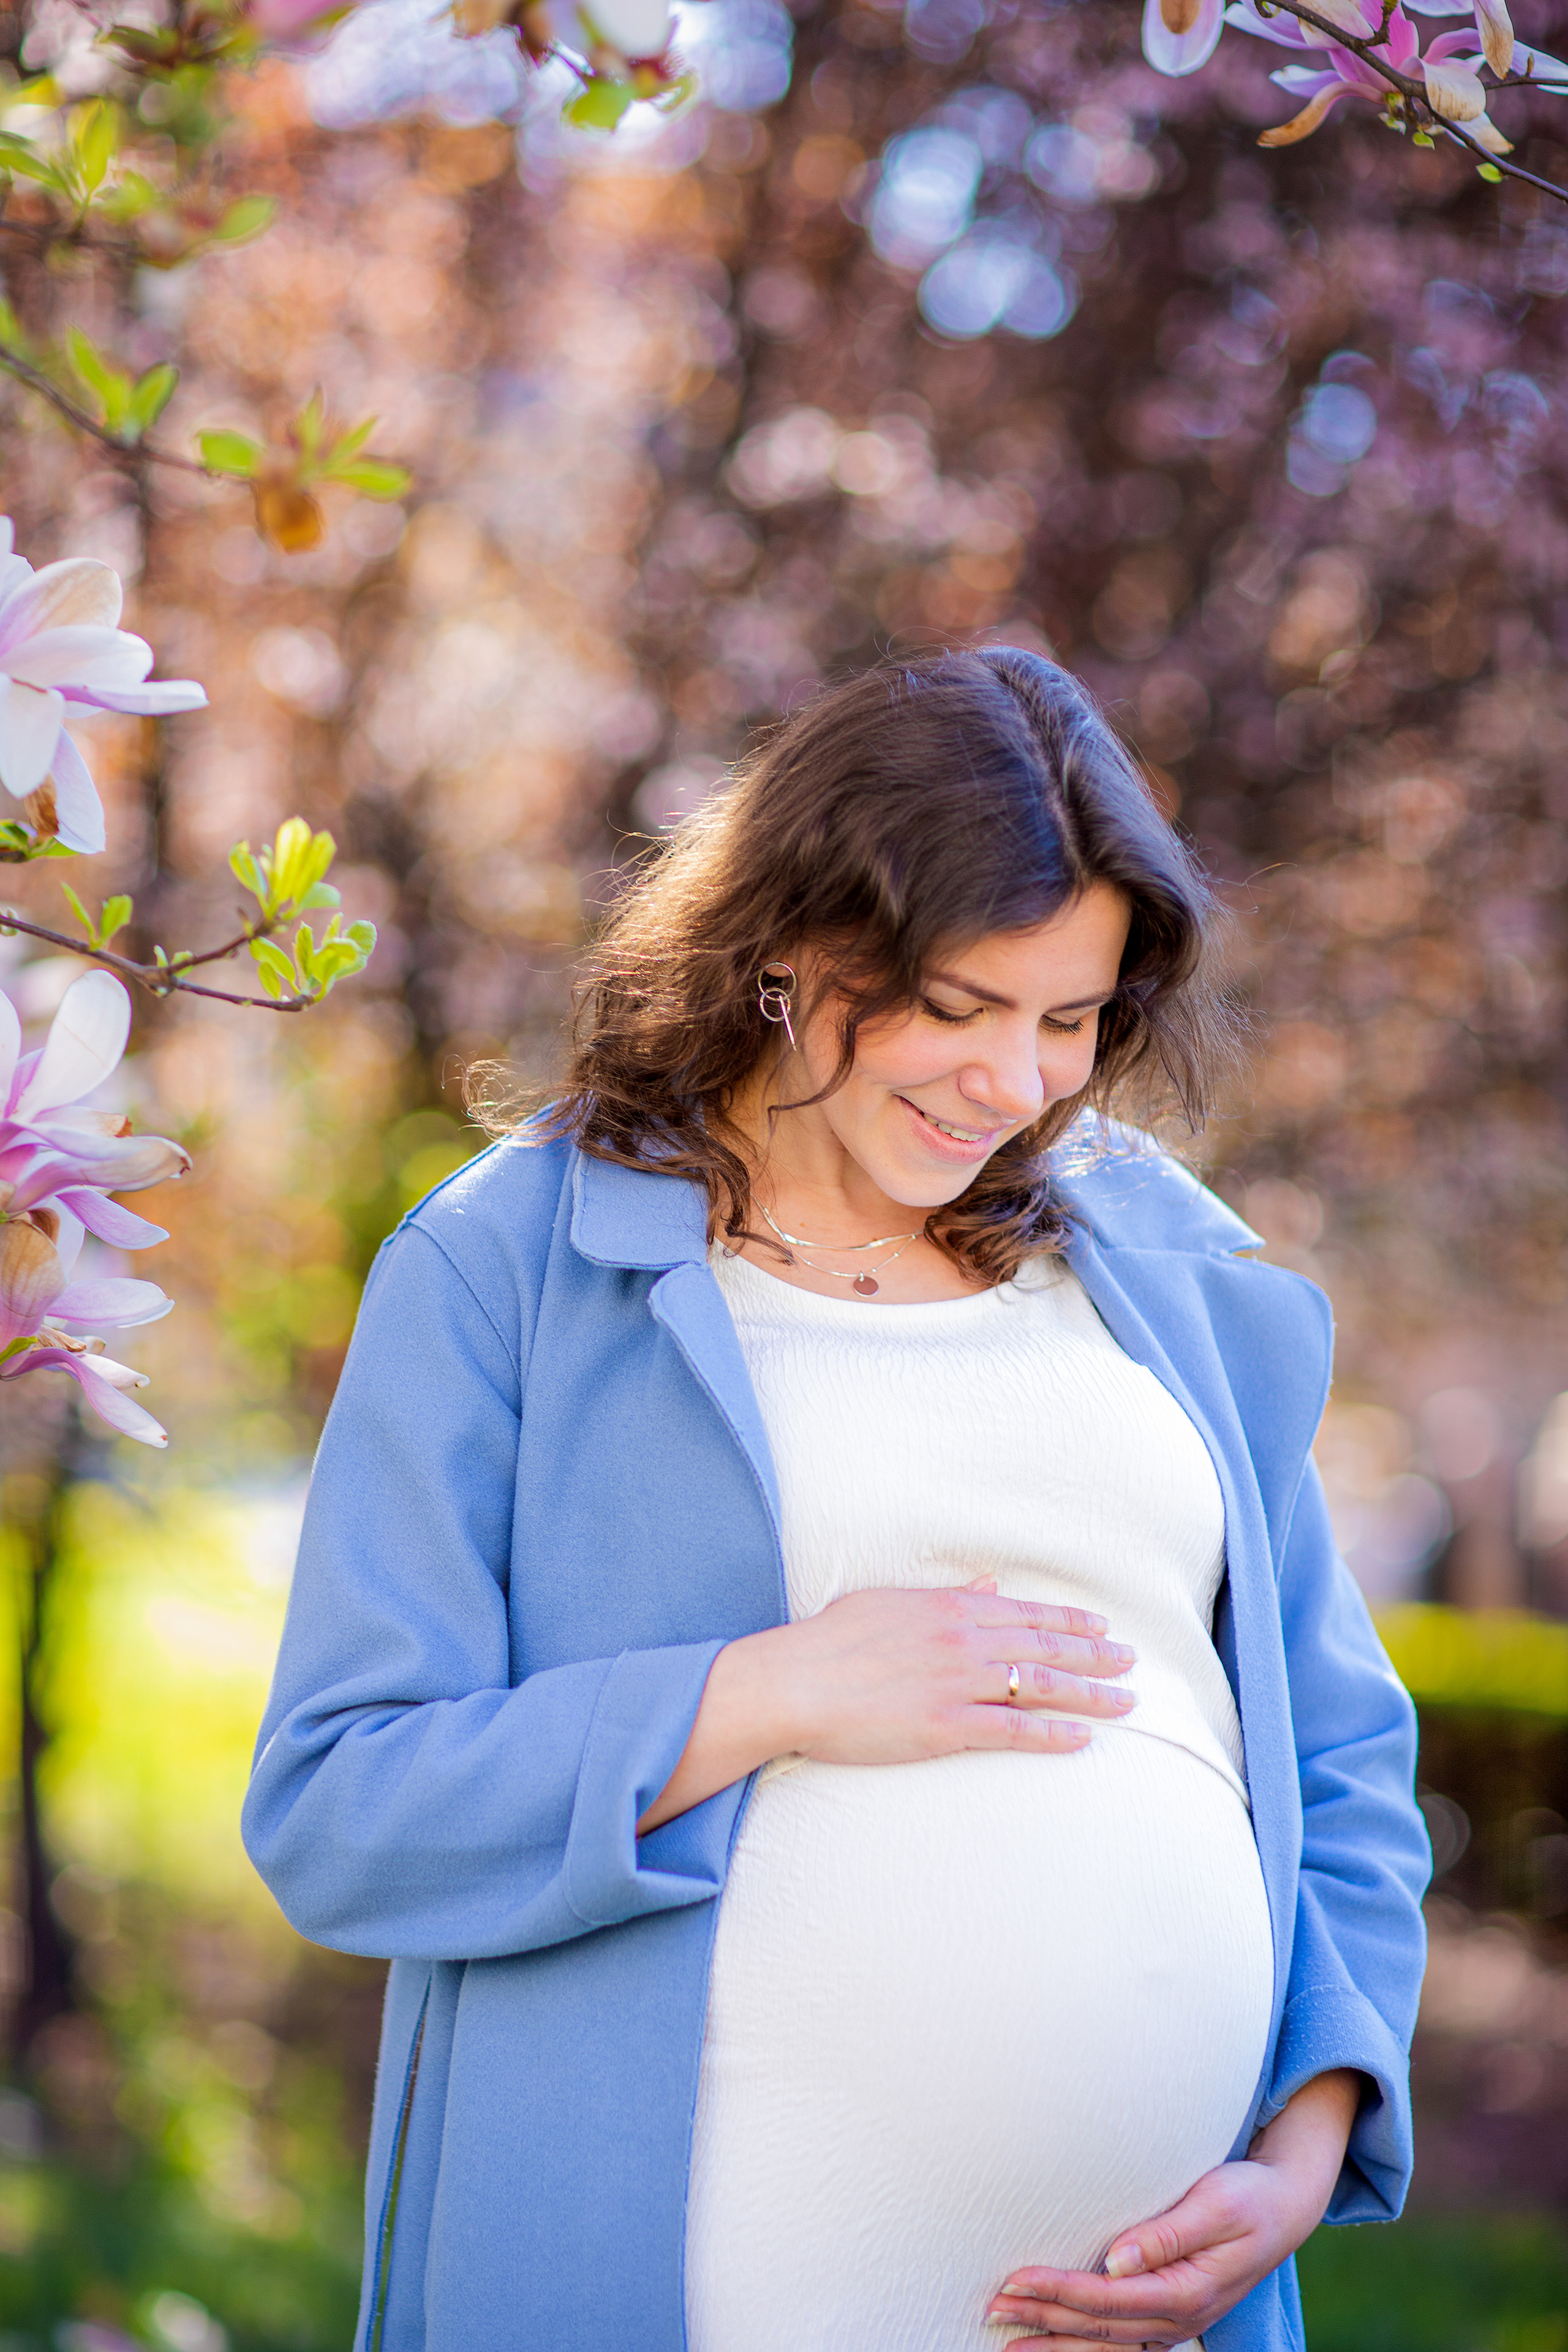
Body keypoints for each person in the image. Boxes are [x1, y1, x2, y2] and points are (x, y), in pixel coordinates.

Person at [243, 649, 1430, 2352]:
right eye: (958, 1009)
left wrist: (1304, 2148)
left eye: (1070, 1021)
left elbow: (1333, 1752)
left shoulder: (1166, 1266)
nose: (1016, 1083)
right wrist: (768, 1692)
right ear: (794, 952)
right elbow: (339, 1807)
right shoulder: (512, 1265)